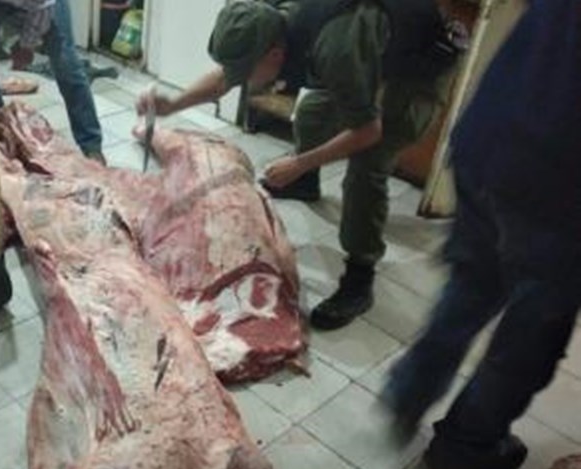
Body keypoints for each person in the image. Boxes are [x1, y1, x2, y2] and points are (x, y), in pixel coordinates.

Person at [137, 0, 459, 330]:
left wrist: (300, 163)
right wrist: (172, 104)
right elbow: (225, 78)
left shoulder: (337, 50)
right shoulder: (275, 25)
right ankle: (306, 186)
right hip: (367, 55)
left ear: (275, 55)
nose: (243, 83)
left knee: (367, 168)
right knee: (311, 112)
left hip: (414, 73)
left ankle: (360, 277)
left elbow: (367, 131)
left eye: (246, 73)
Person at [380, 0, 581, 469]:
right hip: (561, 181)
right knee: (533, 326)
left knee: (473, 280)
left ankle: (409, 391)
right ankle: (468, 442)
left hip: (490, 135)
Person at [0, 0, 106, 164]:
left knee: (65, 63)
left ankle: (91, 146)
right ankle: (1, 125)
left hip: (47, 6)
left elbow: (43, 7)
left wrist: (26, 45)